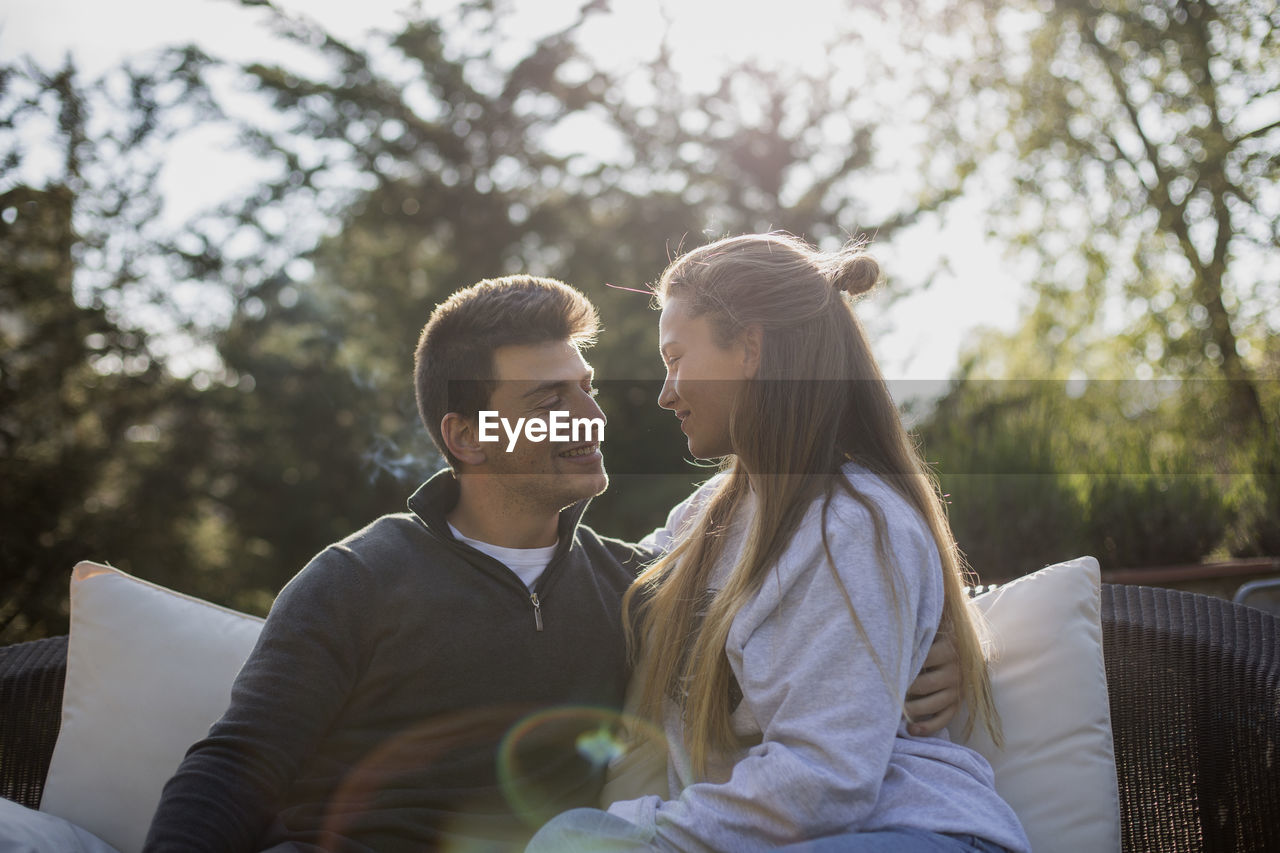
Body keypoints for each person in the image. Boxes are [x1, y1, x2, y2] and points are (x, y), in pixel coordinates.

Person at [144, 274, 962, 852]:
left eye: (587, 388)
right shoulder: (359, 575)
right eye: (549, 401)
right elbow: (238, 763)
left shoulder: (634, 587)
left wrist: (952, 645)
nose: (592, 417)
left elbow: (819, 588)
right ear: (465, 436)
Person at [527, 234, 1030, 853]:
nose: (665, 392)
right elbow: (610, 577)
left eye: (677, 357)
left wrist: (651, 832)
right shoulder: (705, 520)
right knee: (570, 836)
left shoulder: (852, 523)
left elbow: (825, 780)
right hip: (801, 836)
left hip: (908, 833)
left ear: (751, 348)